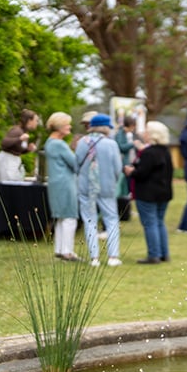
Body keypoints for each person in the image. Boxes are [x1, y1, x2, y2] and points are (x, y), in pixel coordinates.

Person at [75, 114, 123, 267]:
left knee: (89, 220)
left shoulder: (82, 142)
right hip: (107, 186)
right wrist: (113, 181)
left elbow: (76, 165)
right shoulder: (111, 144)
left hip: (86, 186)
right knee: (111, 219)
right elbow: (118, 168)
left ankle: (94, 258)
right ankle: (113, 256)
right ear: (106, 127)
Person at [124, 121, 173, 264]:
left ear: (152, 135)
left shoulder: (149, 153)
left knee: (150, 223)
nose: (143, 133)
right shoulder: (165, 151)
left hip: (147, 193)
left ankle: (154, 254)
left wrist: (132, 171)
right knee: (159, 222)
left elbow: (142, 173)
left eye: (146, 131)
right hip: (163, 192)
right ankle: (164, 253)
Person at [43, 112, 79, 261]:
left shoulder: (49, 143)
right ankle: (67, 251)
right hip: (65, 182)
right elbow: (75, 164)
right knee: (70, 216)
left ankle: (59, 249)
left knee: (60, 217)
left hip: (55, 182)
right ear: (59, 127)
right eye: (67, 124)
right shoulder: (60, 144)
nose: (69, 127)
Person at [0, 108, 40, 182]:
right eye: (36, 121)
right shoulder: (17, 130)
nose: (37, 123)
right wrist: (19, 139)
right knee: (7, 187)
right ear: (29, 121)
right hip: (6, 161)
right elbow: (4, 143)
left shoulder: (24, 132)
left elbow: (18, 150)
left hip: (14, 162)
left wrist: (28, 149)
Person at [115, 115, 142, 199]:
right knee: (124, 186)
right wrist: (132, 144)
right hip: (124, 163)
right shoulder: (120, 134)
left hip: (132, 162)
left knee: (130, 185)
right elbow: (121, 147)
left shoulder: (132, 134)